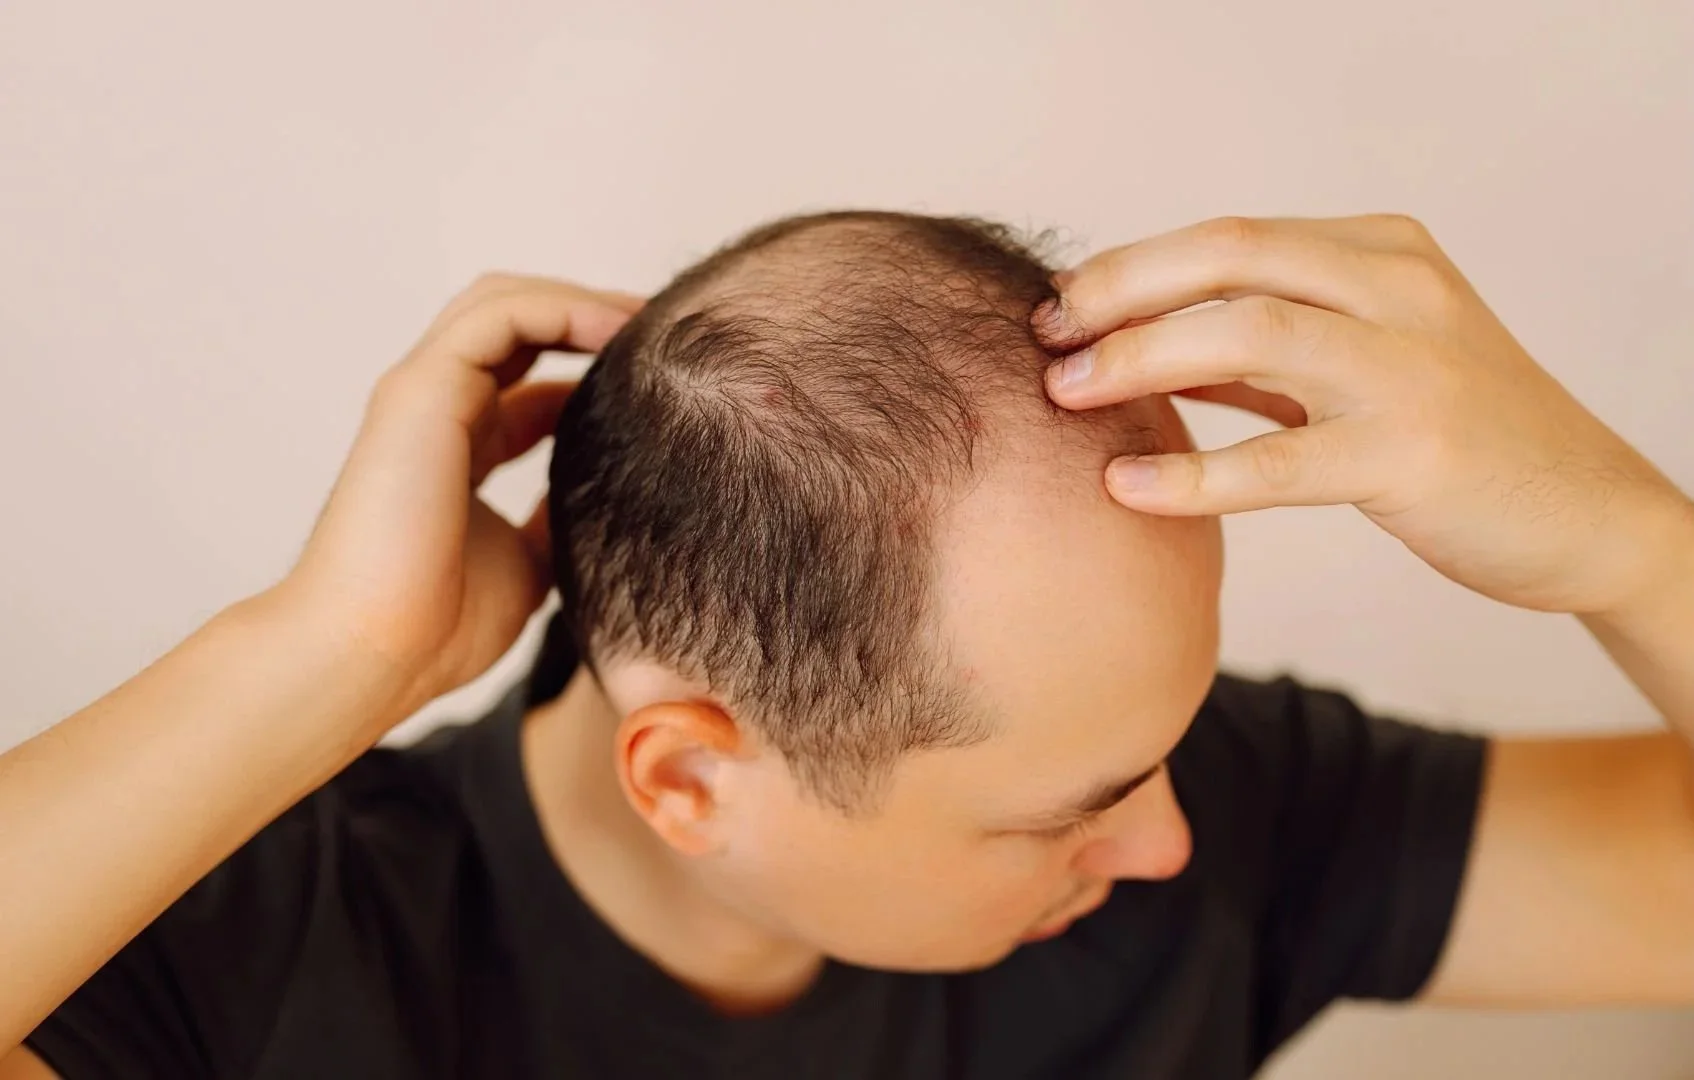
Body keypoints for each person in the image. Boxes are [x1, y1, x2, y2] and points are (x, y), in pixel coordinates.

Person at [2, 211, 1690, 1080]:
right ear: (689, 777)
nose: (1166, 835)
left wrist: (1628, 544)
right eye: (1069, 806)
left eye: (1160, 751)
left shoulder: (1207, 828)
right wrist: (319, 653)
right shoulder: (246, 964)